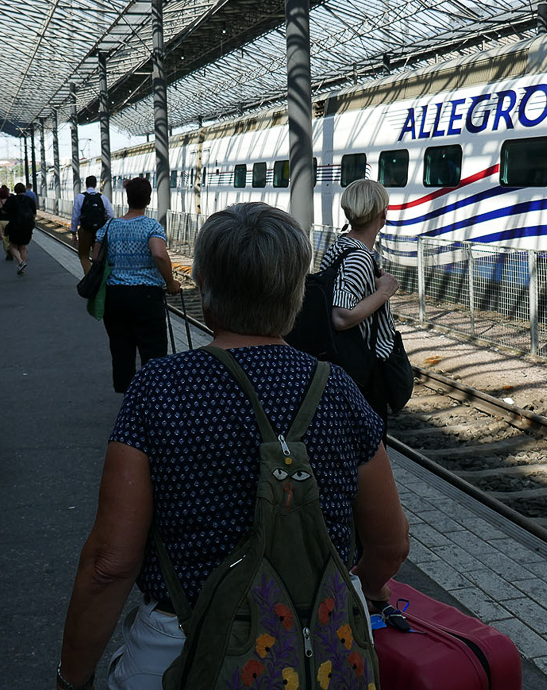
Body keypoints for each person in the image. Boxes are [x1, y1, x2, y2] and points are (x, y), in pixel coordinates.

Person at [58, 202, 409, 690]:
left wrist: (71, 678)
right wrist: (363, 589)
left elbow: (110, 563)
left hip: (181, 647)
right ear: (296, 293)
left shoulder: (159, 388)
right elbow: (390, 543)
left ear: (202, 281)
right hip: (319, 655)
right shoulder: (337, 389)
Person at [89, 177, 180, 393]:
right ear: (148, 199)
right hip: (146, 297)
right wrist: (170, 282)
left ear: (127, 198)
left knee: (121, 349)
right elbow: (159, 255)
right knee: (153, 349)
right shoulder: (150, 226)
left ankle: (128, 398)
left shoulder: (109, 226)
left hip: (115, 296)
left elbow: (95, 257)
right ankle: (154, 395)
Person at [321, 179, 400, 424]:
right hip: (362, 373)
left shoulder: (339, 247)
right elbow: (341, 316)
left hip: (345, 366)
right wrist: (383, 293)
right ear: (382, 214)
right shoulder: (359, 257)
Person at [71, 175, 114, 275]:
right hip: (100, 232)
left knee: (83, 255)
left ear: (85, 184)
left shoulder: (80, 197)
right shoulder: (103, 198)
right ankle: (98, 278)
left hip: (85, 231)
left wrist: (73, 232)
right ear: (96, 185)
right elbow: (111, 215)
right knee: (99, 257)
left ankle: (89, 278)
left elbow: (75, 216)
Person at [3, 183, 36, 275]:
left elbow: (5, 210)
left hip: (15, 225)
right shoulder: (29, 199)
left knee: (12, 246)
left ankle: (21, 262)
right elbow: (34, 211)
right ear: (24, 190)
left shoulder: (11, 199)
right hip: (27, 226)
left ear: (15, 190)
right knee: (23, 246)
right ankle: (22, 269)